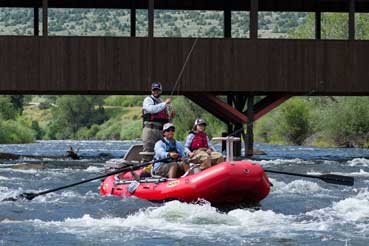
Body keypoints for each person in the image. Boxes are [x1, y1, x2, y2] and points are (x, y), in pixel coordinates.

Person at [142, 82, 175, 161]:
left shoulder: (161, 102)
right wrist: (165, 103)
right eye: (154, 90)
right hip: (150, 130)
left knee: (162, 150)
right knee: (149, 151)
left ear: (160, 91)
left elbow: (166, 120)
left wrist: (171, 117)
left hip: (162, 131)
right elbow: (151, 109)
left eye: (158, 90)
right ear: (152, 91)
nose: (156, 92)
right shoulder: (148, 100)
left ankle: (159, 168)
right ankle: (145, 169)